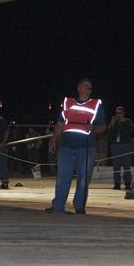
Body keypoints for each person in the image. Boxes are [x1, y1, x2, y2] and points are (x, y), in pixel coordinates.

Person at [46, 79, 105, 214]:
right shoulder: (68, 103)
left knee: (84, 178)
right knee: (62, 177)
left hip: (86, 147)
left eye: (90, 88)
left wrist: (94, 127)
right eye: (86, 86)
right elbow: (60, 123)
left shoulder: (96, 105)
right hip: (66, 146)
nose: (89, 89)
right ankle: (58, 206)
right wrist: (54, 140)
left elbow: (102, 126)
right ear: (79, 88)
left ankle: (79, 206)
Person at [108, 105, 134, 191]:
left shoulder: (127, 121)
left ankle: (127, 183)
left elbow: (132, 131)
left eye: (120, 113)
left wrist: (123, 122)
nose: (118, 114)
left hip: (125, 145)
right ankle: (117, 184)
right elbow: (109, 132)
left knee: (126, 165)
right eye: (117, 113)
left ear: (123, 113)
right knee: (116, 166)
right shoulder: (113, 122)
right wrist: (112, 124)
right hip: (115, 146)